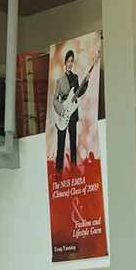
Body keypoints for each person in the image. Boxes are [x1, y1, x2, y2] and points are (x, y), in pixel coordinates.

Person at [53, 46, 95, 176]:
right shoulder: (60, 81)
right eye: (68, 61)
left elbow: (78, 92)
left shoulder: (76, 78)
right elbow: (55, 99)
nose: (70, 63)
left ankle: (73, 167)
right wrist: (60, 110)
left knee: (72, 140)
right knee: (61, 141)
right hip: (63, 112)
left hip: (73, 112)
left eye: (72, 61)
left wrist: (86, 82)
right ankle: (58, 169)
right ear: (65, 63)